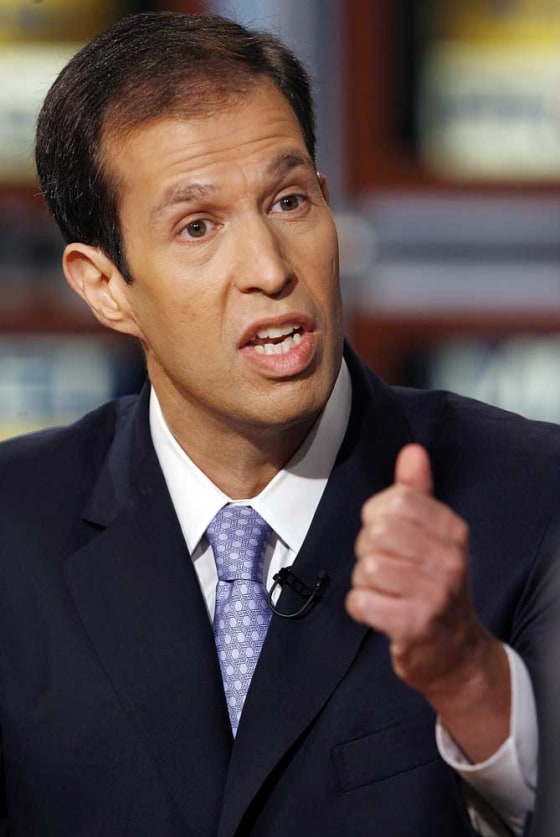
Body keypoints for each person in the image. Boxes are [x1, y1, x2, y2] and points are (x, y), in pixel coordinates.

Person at [0, 10, 558, 836]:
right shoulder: (12, 527)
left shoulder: (535, 496)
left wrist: (470, 678)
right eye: (198, 226)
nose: (269, 268)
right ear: (104, 285)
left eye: (289, 201)